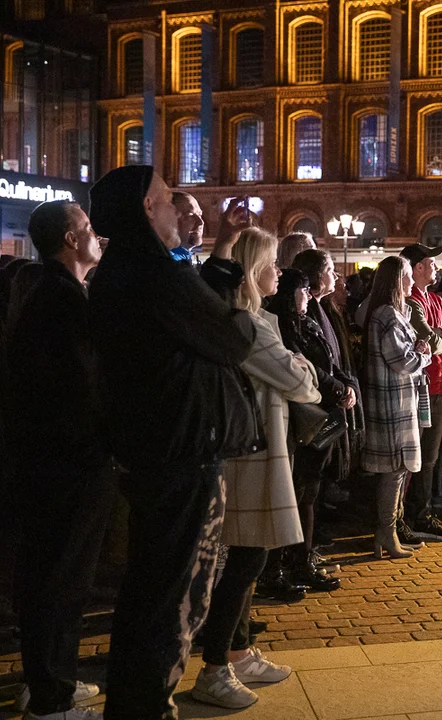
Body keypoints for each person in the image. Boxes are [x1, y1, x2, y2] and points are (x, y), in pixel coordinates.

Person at [87, 166, 261, 720]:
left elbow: (199, 312)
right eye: (166, 199)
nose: (177, 209)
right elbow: (229, 336)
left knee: (156, 588)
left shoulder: (140, 272)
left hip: (166, 451)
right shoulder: (150, 273)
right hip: (179, 456)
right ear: (145, 209)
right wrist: (244, 321)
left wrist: (227, 248)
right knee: (171, 597)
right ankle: (146, 706)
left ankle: (140, 702)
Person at [193, 228, 320, 709]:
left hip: (258, 448)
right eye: (270, 264)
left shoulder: (257, 318)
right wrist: (302, 367)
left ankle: (238, 651)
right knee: (246, 557)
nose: (279, 273)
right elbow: (297, 379)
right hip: (250, 453)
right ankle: (215, 665)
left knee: (251, 554)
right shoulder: (249, 323)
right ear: (250, 271)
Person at [1, 201, 107, 720]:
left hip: (55, 462)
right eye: (88, 228)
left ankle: (50, 680)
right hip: (66, 464)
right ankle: (50, 699)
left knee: (57, 578)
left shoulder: (54, 293)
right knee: (59, 581)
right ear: (70, 239)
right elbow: (81, 389)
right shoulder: (62, 300)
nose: (97, 236)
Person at [276, 249, 357, 592]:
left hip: (328, 412)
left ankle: (302, 558)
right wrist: (338, 386)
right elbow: (307, 365)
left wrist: (346, 386)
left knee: (311, 487)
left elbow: (331, 359)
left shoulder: (312, 318)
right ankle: (286, 564)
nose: (309, 295)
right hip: (308, 415)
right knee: (300, 489)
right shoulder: (284, 322)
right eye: (304, 290)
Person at [361, 256, 433, 558]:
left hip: (396, 400)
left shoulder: (391, 313)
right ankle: (386, 531)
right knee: (395, 470)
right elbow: (403, 361)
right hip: (393, 402)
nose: (410, 281)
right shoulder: (388, 314)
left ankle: (388, 532)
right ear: (396, 280)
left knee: (398, 471)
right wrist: (423, 355)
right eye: (406, 275)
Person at [399, 244, 442, 542]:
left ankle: (422, 511)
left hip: (439, 386)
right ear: (417, 268)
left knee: (431, 456)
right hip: (419, 387)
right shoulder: (410, 302)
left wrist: (441, 339)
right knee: (417, 456)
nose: (437, 268)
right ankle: (412, 514)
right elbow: (426, 336)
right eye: (431, 263)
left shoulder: (435, 299)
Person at [169, 191, 204, 264]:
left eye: (200, 215)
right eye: (189, 215)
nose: (200, 222)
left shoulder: (184, 259)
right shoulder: (169, 263)